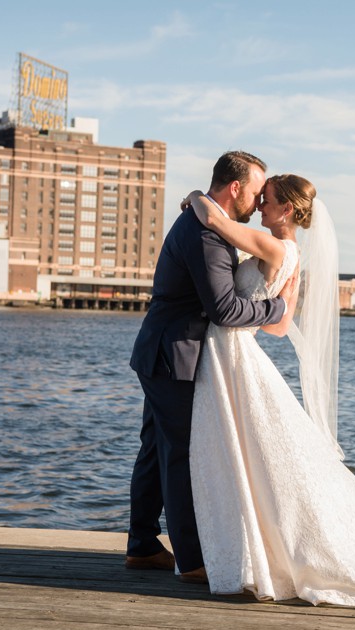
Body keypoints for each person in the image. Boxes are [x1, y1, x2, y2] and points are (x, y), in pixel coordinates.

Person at [183, 174, 355, 606]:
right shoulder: (293, 254)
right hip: (237, 352)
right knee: (250, 454)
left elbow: (216, 224)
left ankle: (249, 554)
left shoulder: (274, 246)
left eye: (266, 201)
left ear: (286, 210)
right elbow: (279, 325)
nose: (258, 207)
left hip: (230, 352)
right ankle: (248, 551)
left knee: (239, 451)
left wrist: (196, 194)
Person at [125, 152, 297, 583]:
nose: (259, 203)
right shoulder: (206, 233)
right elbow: (222, 308)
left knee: (154, 449)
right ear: (236, 188)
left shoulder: (209, 223)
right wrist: (277, 307)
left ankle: (143, 546)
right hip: (175, 356)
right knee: (179, 454)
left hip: (165, 351)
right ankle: (195, 561)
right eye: (256, 192)